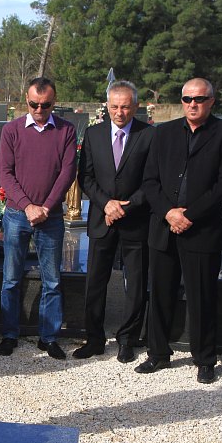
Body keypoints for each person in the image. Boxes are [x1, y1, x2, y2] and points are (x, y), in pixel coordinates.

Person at [137, 78, 222, 383]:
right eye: (187, 99)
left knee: (202, 297)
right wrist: (169, 212)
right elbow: (150, 180)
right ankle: (158, 353)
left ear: (211, 101)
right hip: (164, 225)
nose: (192, 104)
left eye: (199, 99)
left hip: (201, 229)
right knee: (160, 293)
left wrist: (189, 215)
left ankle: (205, 359)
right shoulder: (164, 132)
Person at [73, 80, 154, 363]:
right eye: (114, 107)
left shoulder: (149, 135)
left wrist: (125, 208)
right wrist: (106, 204)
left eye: (125, 107)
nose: (119, 112)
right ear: (107, 106)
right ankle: (94, 338)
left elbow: (152, 180)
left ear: (136, 106)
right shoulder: (94, 134)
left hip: (135, 221)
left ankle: (127, 339)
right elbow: (86, 176)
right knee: (95, 281)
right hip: (101, 219)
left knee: (136, 283)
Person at [0, 77, 77, 360]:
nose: (39, 110)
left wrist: (46, 207)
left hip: (50, 217)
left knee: (52, 280)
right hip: (17, 215)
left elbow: (67, 172)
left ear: (54, 102)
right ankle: (9, 334)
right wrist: (28, 206)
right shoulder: (12, 130)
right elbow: (5, 173)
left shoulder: (66, 130)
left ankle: (49, 337)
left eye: (45, 105)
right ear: (26, 101)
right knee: (11, 278)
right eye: (34, 104)